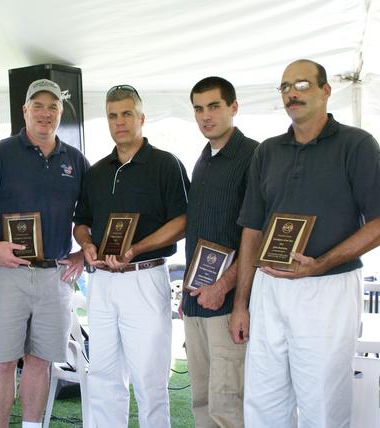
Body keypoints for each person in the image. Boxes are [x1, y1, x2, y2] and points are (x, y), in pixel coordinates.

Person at [229, 59, 380, 427]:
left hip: (327, 288)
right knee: (263, 400)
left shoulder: (357, 144)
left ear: (326, 91)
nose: (292, 93)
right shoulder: (267, 150)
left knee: (323, 402)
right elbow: (252, 229)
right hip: (269, 287)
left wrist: (321, 263)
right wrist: (241, 303)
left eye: (301, 84)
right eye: (284, 87)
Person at [0, 78, 88, 428]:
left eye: (53, 107)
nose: (45, 113)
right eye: (38, 106)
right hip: (8, 274)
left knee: (41, 360)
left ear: (60, 112)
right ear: (25, 110)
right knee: (2, 362)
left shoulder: (75, 160)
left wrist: (81, 253)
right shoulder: (0, 154)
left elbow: (89, 216)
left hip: (55, 275)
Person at [73, 84, 189, 427]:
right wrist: (87, 245)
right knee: (104, 376)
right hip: (102, 283)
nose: (119, 121)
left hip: (145, 277)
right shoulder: (96, 172)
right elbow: (82, 222)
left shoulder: (165, 164)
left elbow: (183, 221)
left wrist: (137, 248)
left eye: (126, 114)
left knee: (149, 379)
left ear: (142, 117)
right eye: (112, 115)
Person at [181, 76, 258, 428]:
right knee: (201, 399)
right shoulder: (204, 158)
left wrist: (225, 289)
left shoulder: (253, 156)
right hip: (197, 299)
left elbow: (256, 237)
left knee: (228, 404)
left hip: (228, 304)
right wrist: (189, 291)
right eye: (198, 108)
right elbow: (200, 230)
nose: (205, 116)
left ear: (234, 107)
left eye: (214, 106)